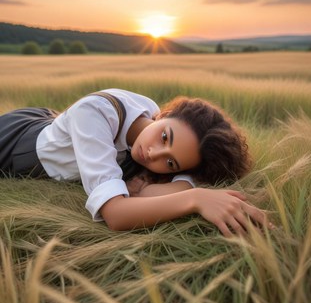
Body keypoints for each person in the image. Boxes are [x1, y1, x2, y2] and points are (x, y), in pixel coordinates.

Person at [0, 88, 272, 237]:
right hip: (16, 143)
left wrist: (176, 186)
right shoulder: (95, 112)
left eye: (171, 163)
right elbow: (116, 215)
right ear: (163, 114)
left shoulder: (151, 136)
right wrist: (197, 198)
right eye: (165, 136)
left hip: (55, 126)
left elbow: (179, 182)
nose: (153, 154)